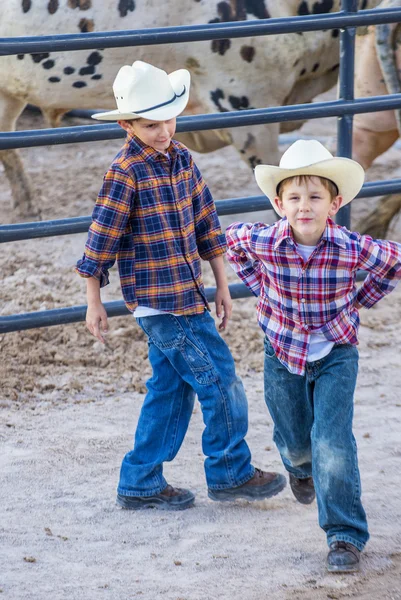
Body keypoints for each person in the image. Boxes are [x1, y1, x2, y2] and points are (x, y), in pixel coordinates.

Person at [75, 60, 287, 511]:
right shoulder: (125, 173)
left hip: (189, 296)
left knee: (170, 392)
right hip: (161, 304)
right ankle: (230, 471)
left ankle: (141, 480)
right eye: (150, 124)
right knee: (221, 379)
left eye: (168, 118)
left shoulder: (184, 159)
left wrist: (222, 286)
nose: (163, 130)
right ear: (127, 126)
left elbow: (207, 225)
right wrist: (93, 300)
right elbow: (101, 240)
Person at [225, 139, 401, 572]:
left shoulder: (349, 246)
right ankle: (299, 469)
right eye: (294, 197)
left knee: (333, 441)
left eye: (315, 196)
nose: (305, 206)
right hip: (281, 348)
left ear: (334, 203)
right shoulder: (265, 240)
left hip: (337, 352)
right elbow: (230, 243)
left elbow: (394, 262)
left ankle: (344, 536)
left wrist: (359, 300)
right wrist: (261, 286)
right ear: (278, 203)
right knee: (297, 440)